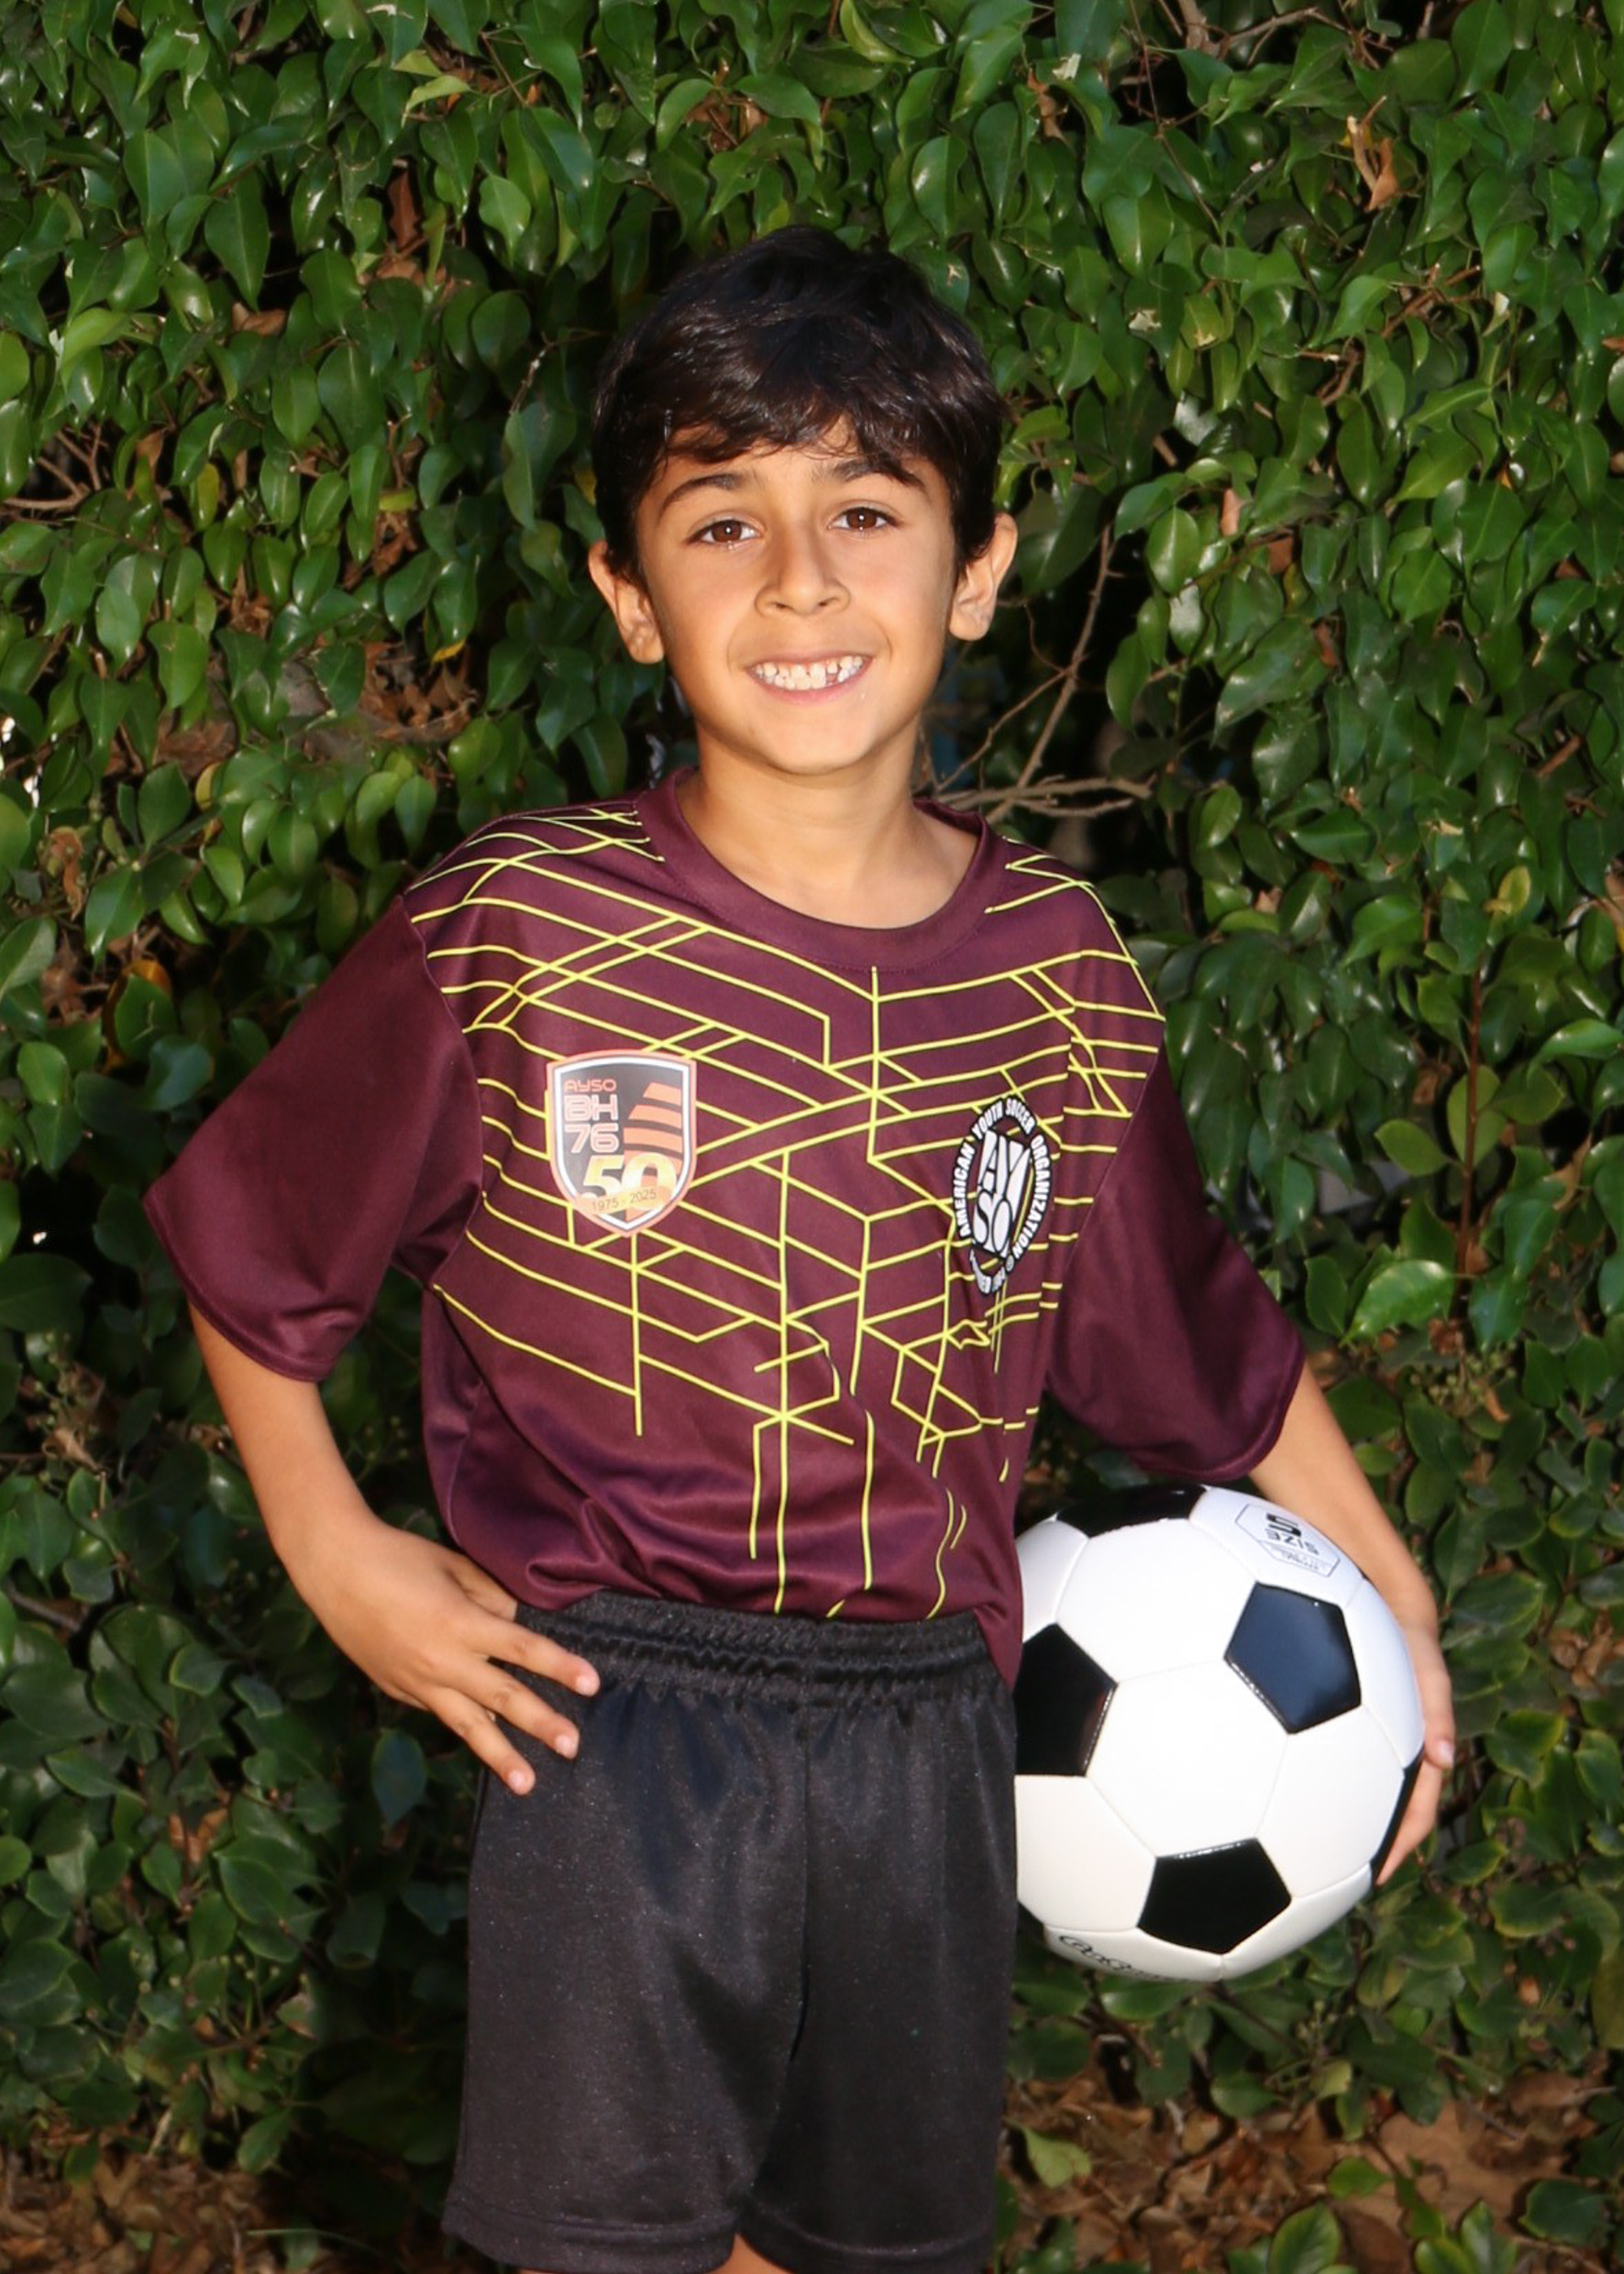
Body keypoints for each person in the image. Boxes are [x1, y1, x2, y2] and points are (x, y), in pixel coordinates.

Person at [145, 227, 1454, 2274]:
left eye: (864, 511)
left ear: (979, 566)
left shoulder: (1058, 977)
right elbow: (252, 1245)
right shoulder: (518, 932)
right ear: (627, 595)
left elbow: (1198, 1349)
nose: (799, 582)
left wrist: (1391, 1594)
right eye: (719, 522)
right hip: (621, 1722)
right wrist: (334, 1550)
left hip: (935, 1726)